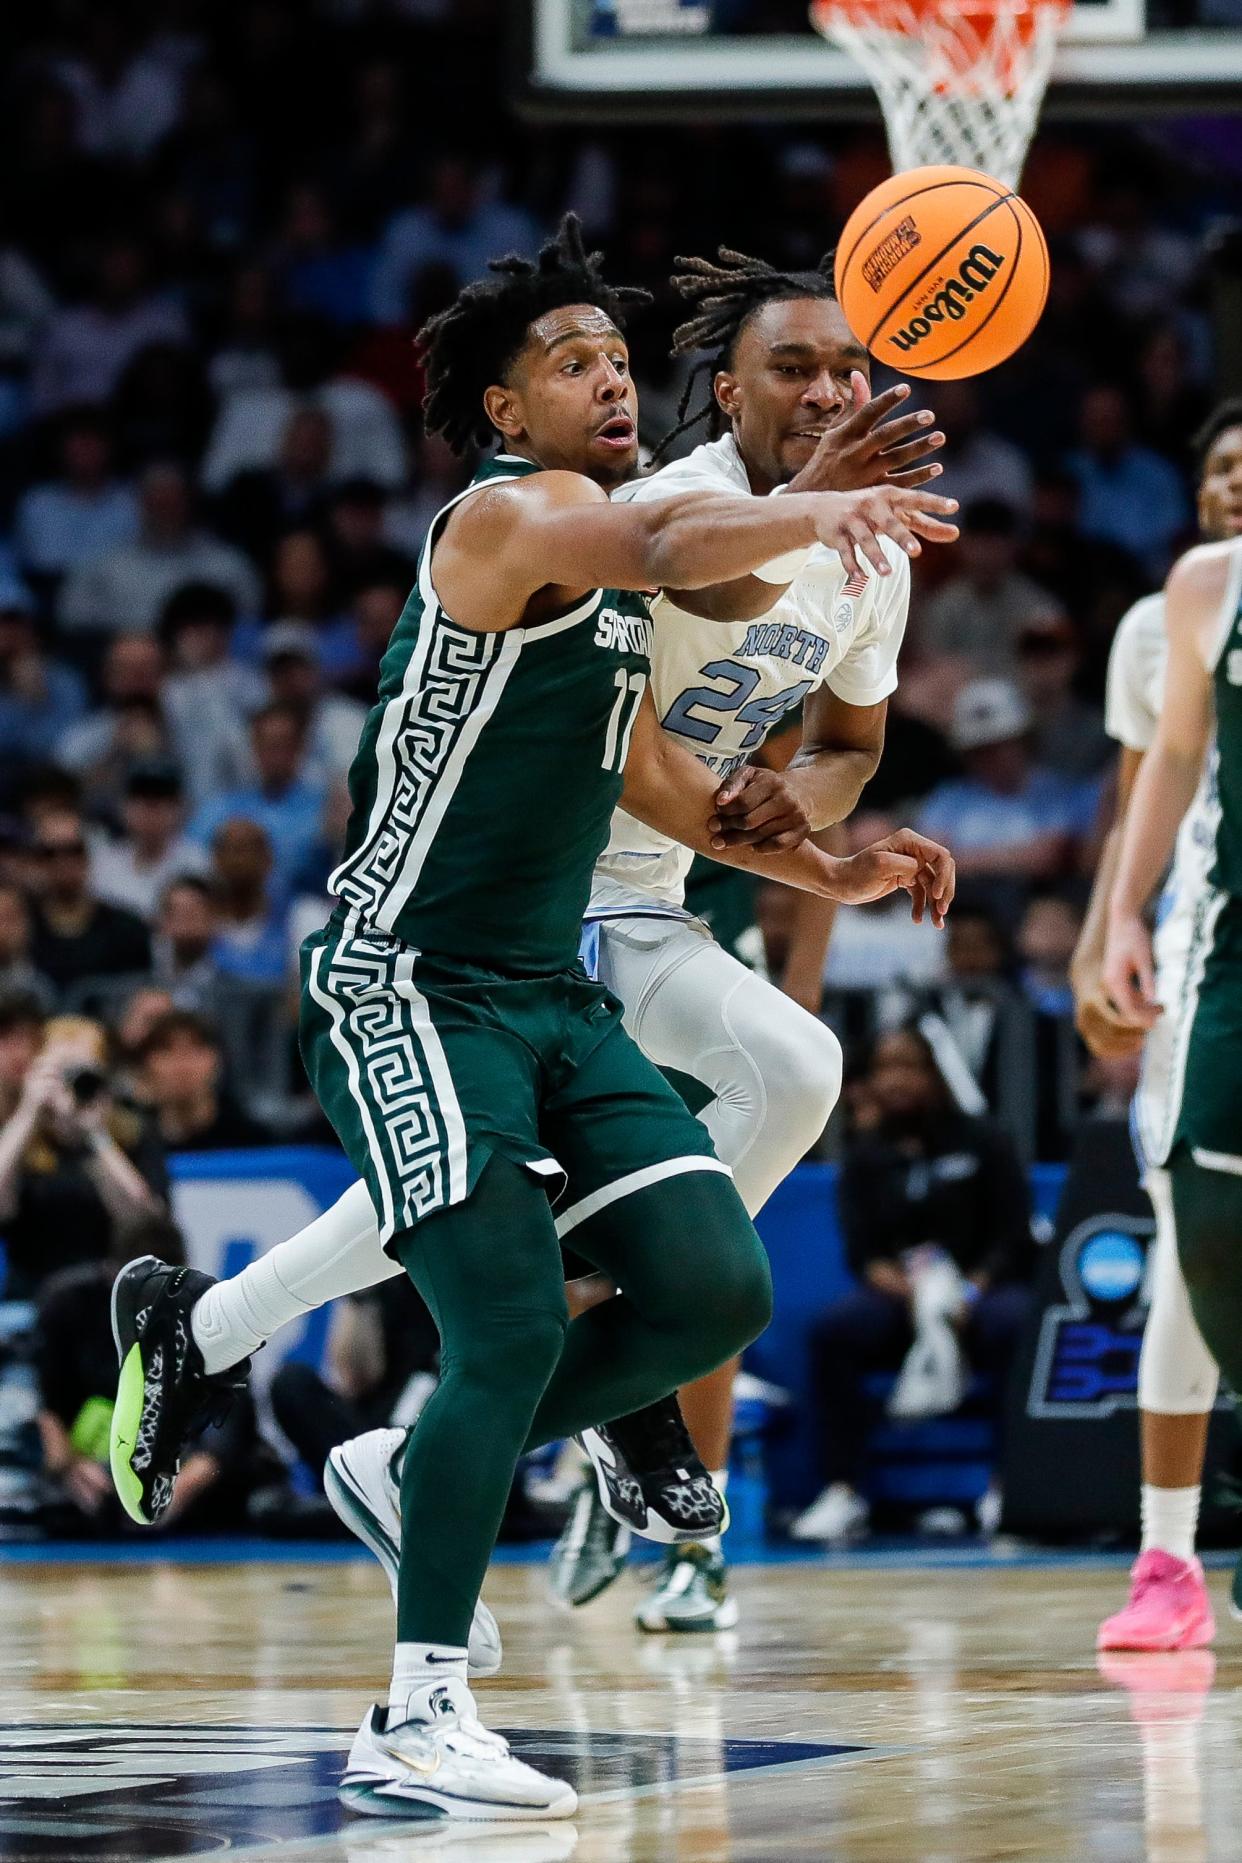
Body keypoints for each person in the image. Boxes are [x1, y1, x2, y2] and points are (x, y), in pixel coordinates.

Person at [109, 215, 956, 1822]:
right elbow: (655, 548)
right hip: (405, 976)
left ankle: (387, 1424)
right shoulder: (520, 518)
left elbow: (661, 782)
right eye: (572, 364)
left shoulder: (636, 587)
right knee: (503, 1320)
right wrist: (805, 500)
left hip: (548, 985)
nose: (608, 382)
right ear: (504, 409)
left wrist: (834, 867)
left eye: (617, 358)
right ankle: (415, 1708)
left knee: (713, 1285)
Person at [551, 242, 949, 1632]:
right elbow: (698, 587)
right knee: (648, 1234)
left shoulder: (874, 558)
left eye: (852, 366)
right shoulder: (680, 506)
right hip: (546, 886)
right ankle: (586, 1401)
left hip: (683, 882)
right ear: (725, 391)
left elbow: (843, 744)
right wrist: (805, 855)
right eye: (797, 366)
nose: (835, 386)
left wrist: (807, 804)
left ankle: (665, 1501)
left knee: (717, 1221)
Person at [1074, 401, 1242, 1651]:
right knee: (1200, 1236)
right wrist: (1113, 923)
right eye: (1222, 466)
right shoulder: (1183, 603)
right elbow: (1156, 774)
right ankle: (1168, 1558)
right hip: (1213, 947)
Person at [793, 1027, 1032, 1543]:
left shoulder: (985, 1140)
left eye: (909, 1066)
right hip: (902, 1299)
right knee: (834, 1333)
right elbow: (863, 1254)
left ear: (933, 1073)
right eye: (885, 1068)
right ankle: (843, 1490)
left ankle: (1010, 1484)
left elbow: (1014, 1235)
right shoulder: (865, 1155)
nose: (896, 1080)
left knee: (1019, 1326)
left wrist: (967, 1291)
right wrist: (916, 1296)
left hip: (979, 1295)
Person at [0, 1001, 165, 1301]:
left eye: (83, 1073)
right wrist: (29, 1112)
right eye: (62, 1073)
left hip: (112, 1299)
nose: (71, 1086)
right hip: (31, 1303)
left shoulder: (132, 1135)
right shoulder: (17, 1139)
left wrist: (95, 1136)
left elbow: (146, 1225)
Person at [28, 810, 151, 995]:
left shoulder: (128, 929)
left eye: (74, 850)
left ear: (89, 855)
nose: (63, 861)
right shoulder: (20, 927)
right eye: (50, 853)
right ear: (35, 861)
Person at [136, 1009, 270, 1151]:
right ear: (146, 1064)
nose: (183, 1066)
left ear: (218, 1061)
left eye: (195, 1050)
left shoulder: (256, 1143)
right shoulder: (128, 1148)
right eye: (167, 1050)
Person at [91, 760, 209, 922]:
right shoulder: (102, 865)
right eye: (142, 798)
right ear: (124, 807)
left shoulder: (198, 864)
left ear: (179, 808)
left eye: (161, 798)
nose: (151, 808)